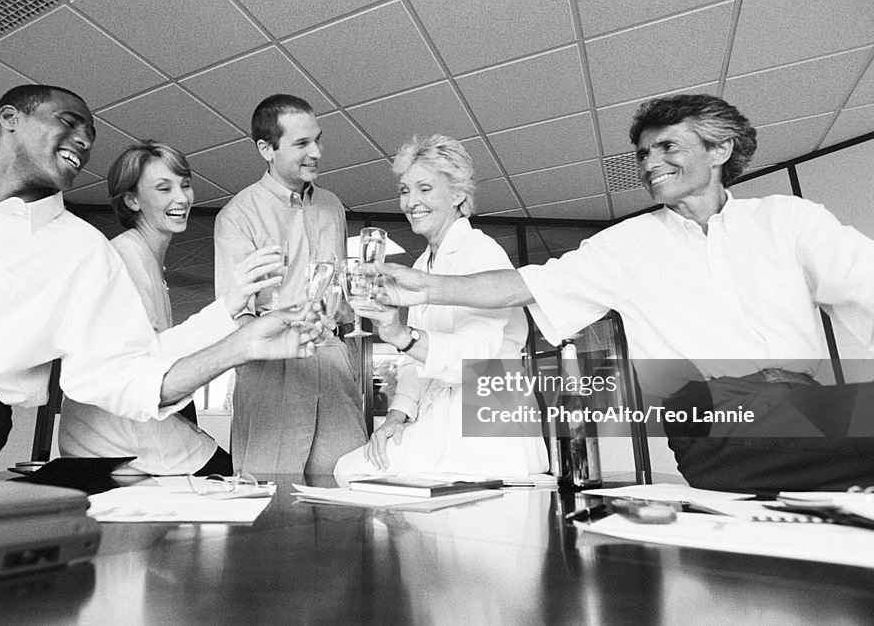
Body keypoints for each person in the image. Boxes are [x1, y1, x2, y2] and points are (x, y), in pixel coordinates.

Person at [375, 94, 874, 493]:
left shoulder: (786, 219)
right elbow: (521, 287)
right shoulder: (626, 244)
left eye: (668, 148)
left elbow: (862, 280)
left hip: (803, 406)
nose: (649, 163)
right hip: (712, 417)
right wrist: (423, 286)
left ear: (719, 151)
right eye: (643, 153)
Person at [0, 84, 320, 485]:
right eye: (70, 123)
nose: (83, 142)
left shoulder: (86, 252)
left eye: (90, 136)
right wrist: (228, 322)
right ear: (10, 119)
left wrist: (238, 340)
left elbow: (124, 371)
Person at [59, 141, 286, 476]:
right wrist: (230, 307)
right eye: (163, 188)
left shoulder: (146, 260)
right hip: (114, 442)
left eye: (185, 185)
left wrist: (233, 307)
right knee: (235, 480)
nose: (181, 198)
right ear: (132, 199)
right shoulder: (123, 257)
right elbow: (141, 365)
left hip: (128, 437)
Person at [334, 135, 547, 482]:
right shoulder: (423, 263)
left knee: (472, 530)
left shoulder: (481, 251)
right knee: (350, 470)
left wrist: (402, 335)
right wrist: (396, 416)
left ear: (459, 194)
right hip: (438, 418)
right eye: (404, 190)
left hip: (487, 419)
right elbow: (414, 363)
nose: (411, 202)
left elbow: (475, 358)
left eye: (425, 189)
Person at [214, 94, 367, 474]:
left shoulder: (332, 205)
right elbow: (236, 315)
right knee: (269, 494)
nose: (316, 151)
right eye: (301, 143)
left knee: (349, 479)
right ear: (266, 149)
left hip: (331, 358)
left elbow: (342, 298)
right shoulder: (238, 215)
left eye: (317, 139)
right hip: (271, 363)